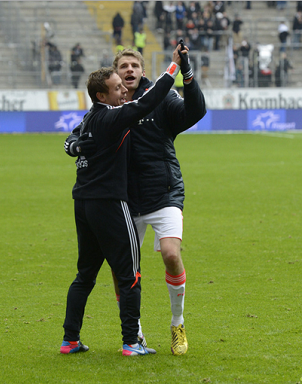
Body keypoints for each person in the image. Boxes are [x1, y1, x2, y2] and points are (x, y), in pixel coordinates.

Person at [65, 43, 206, 356]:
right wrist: (73, 144)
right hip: (124, 200)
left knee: (170, 254)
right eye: (123, 66)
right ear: (116, 75)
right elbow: (79, 132)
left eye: (134, 65)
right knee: (123, 270)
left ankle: (177, 323)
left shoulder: (159, 95)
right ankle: (135, 334)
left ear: (142, 71)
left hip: (163, 190)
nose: (129, 70)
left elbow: (194, 112)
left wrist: (184, 71)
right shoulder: (110, 106)